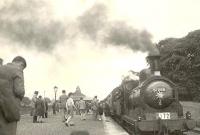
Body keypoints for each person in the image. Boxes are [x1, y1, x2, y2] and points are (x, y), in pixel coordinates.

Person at [0, 56, 26, 135]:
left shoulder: (1, 67)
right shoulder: (18, 69)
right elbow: (19, 91)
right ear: (21, 64)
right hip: (9, 108)